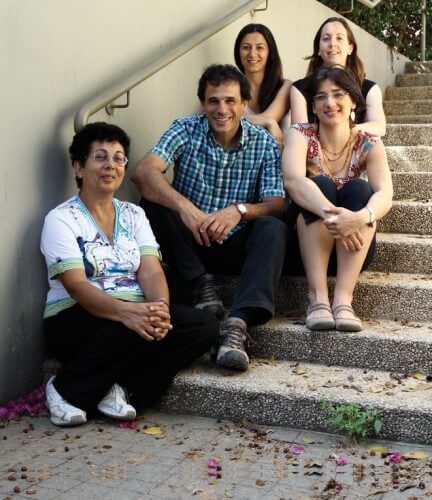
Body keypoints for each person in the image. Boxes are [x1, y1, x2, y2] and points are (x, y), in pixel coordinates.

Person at [40, 122, 219, 427]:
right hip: (75, 316)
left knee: (203, 326)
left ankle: (122, 389)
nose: (111, 165)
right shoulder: (61, 219)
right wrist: (128, 313)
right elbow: (76, 286)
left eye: (119, 158)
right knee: (130, 328)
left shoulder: (134, 214)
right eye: (100, 157)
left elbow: (150, 269)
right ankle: (63, 389)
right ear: (79, 167)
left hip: (132, 314)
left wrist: (159, 309)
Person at [132, 64, 288, 372]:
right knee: (152, 202)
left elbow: (277, 203)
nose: (222, 109)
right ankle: (201, 285)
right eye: (213, 100)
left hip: (234, 244)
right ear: (203, 103)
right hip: (189, 246)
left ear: (244, 104)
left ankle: (237, 326)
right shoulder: (186, 128)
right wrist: (186, 209)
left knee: (273, 227)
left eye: (230, 101)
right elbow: (143, 172)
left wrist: (240, 210)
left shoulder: (264, 143)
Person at [282, 66, 392, 332]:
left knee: (360, 191)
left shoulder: (369, 142)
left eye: (338, 94)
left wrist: (357, 218)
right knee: (320, 185)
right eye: (321, 97)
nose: (330, 103)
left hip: (354, 247)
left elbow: (385, 193)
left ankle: (343, 300)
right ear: (314, 107)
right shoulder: (300, 134)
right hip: (305, 246)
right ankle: (317, 299)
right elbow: (293, 182)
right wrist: (335, 217)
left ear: (353, 100)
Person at [290, 17, 386, 136]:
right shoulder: (299, 89)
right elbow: (299, 132)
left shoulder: (369, 88)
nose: (332, 43)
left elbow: (379, 127)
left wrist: (342, 131)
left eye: (339, 38)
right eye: (326, 39)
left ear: (350, 48)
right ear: (318, 49)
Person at [234, 23, 291, 148]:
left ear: (270, 52)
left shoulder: (285, 87)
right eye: (246, 47)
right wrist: (268, 122)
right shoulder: (232, 90)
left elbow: (267, 119)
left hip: (280, 162)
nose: (252, 54)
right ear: (238, 52)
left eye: (259, 48)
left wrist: (267, 120)